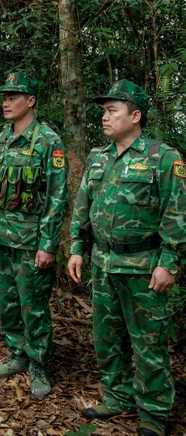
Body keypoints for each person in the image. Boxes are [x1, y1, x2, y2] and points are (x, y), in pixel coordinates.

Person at [68, 80, 186, 436]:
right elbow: (82, 205)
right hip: (103, 264)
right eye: (104, 111)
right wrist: (76, 247)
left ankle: (153, 413)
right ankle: (118, 397)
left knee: (148, 343)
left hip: (144, 267)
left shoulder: (163, 158)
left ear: (135, 116)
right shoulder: (97, 157)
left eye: (111, 110)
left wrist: (170, 262)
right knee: (106, 338)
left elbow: (177, 214)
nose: (104, 117)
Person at [0, 72, 68, 399]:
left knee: (33, 306)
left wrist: (48, 245)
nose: (6, 102)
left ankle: (39, 363)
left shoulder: (48, 141)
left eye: (13, 96)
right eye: (4, 96)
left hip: (32, 241)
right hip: (3, 235)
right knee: (7, 302)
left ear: (30, 101)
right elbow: (4, 182)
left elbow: (58, 196)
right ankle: (17, 353)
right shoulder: (3, 138)